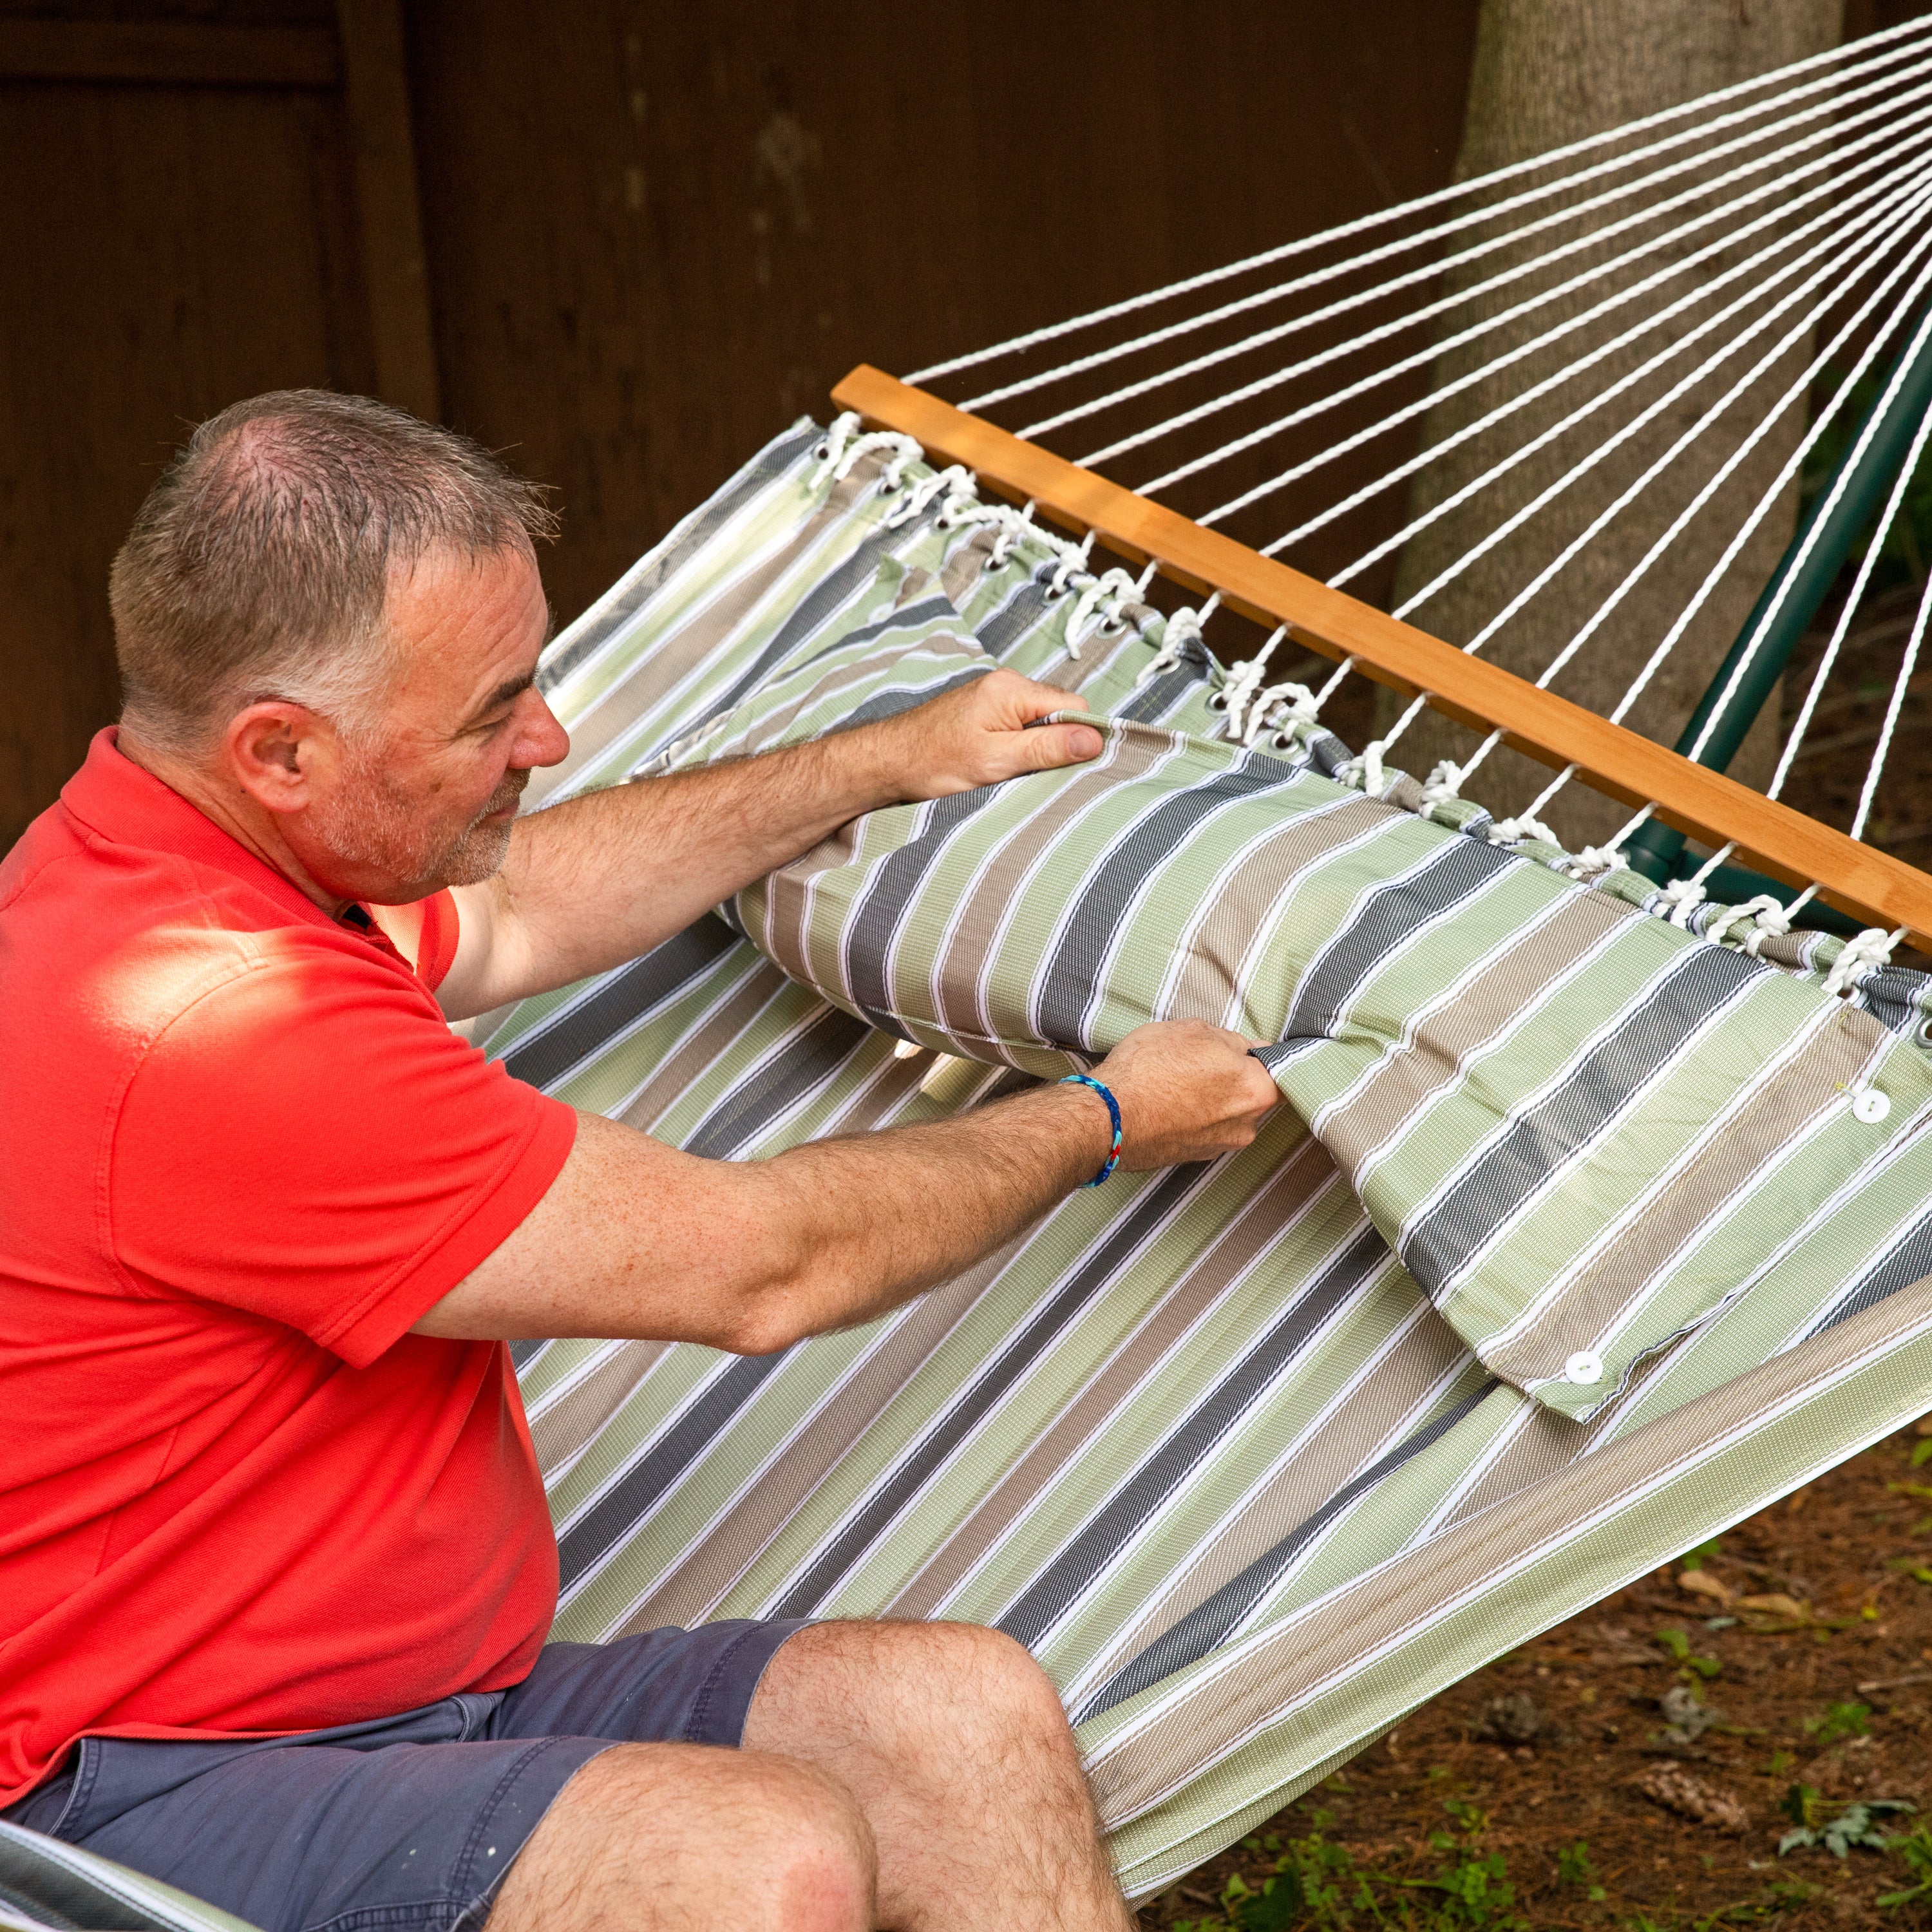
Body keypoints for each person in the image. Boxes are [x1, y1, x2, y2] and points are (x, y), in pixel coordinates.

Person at [0, 391, 1280, 1932]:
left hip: (437, 1706)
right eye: (492, 712)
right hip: (130, 1790)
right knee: (749, 1858)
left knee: (961, 1719)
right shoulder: (218, 1034)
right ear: (280, 748)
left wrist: (876, 763)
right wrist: (1108, 1116)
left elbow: (527, 904)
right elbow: (760, 1269)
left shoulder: (186, 863)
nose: (548, 736)